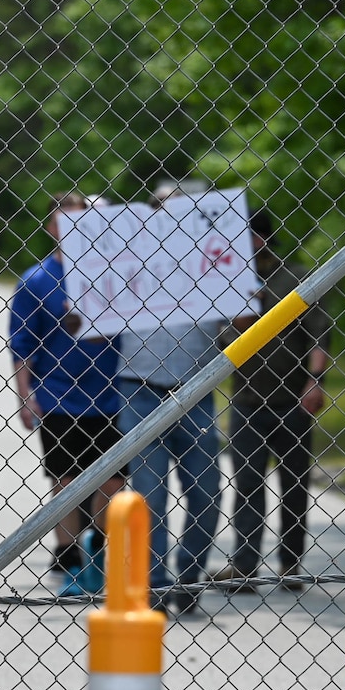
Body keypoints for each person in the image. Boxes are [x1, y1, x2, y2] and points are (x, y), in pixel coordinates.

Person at [113, 184, 225, 615]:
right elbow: (94, 313)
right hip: (138, 389)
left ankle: (190, 577)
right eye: (160, 206)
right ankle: (155, 587)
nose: (169, 214)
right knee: (150, 495)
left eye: (180, 207)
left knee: (207, 493)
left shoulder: (215, 262)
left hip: (196, 392)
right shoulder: (127, 259)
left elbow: (234, 330)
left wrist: (243, 312)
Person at [11, 191, 126, 596]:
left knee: (111, 481)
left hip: (113, 393)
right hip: (58, 394)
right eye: (64, 222)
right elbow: (22, 344)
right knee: (65, 479)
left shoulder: (115, 272)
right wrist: (26, 396)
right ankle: (69, 555)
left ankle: (96, 543)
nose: (74, 230)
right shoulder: (37, 279)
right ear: (51, 228)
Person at [211, 208, 331, 592]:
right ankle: (244, 567)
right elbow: (223, 342)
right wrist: (243, 316)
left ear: (261, 240)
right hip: (247, 402)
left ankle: (290, 566)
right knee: (247, 485)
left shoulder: (295, 279)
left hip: (292, 400)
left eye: (250, 238)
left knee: (294, 485)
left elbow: (319, 335)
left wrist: (315, 381)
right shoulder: (228, 281)